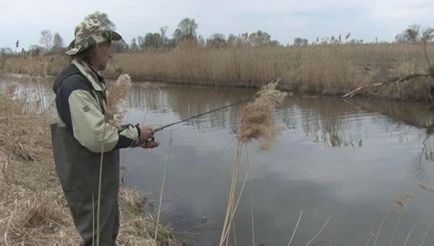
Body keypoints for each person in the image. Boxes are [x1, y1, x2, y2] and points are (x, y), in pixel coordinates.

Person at [50, 18, 158, 245]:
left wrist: (136, 139)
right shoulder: (74, 86)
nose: (111, 53)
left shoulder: (88, 80)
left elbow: (99, 128)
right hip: (88, 184)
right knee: (97, 240)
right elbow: (97, 137)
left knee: (106, 236)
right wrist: (135, 133)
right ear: (96, 47)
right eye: (108, 45)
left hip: (97, 182)